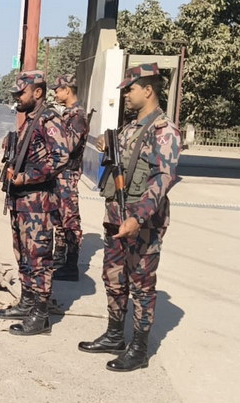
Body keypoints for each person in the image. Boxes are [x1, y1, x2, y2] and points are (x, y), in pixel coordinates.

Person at [78, 63, 181, 372]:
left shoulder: (164, 130)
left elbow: (163, 178)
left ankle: (139, 347)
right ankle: (114, 335)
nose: (125, 95)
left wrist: (138, 217)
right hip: (115, 216)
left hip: (142, 222)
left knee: (141, 284)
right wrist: (104, 142)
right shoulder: (129, 128)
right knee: (113, 276)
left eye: (130, 89)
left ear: (148, 90)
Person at [0, 70, 70, 335]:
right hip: (21, 201)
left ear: (38, 92)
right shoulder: (31, 120)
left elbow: (61, 158)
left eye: (21, 93)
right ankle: (27, 301)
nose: (17, 97)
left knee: (39, 258)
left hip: (38, 202)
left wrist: (27, 177)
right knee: (23, 254)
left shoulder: (50, 119)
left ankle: (41, 314)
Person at [50, 73, 89, 282]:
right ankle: (59, 258)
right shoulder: (66, 114)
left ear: (67, 90)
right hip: (59, 174)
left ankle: (71, 266)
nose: (55, 94)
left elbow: (67, 146)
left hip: (68, 174)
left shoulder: (77, 116)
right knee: (58, 218)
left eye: (57, 90)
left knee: (70, 220)